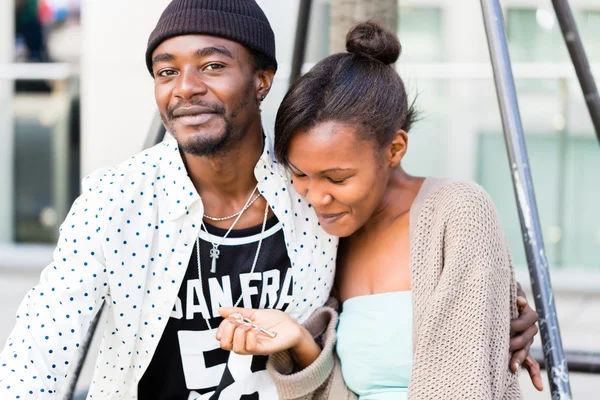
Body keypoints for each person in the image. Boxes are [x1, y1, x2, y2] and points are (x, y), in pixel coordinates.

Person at [0, 2, 538, 398]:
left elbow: (416, 245)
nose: (185, 86)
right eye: (166, 70)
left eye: (212, 66)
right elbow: (39, 351)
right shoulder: (117, 201)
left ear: (262, 80)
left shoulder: (306, 192)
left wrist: (502, 305)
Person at [215, 21, 543, 399]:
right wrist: (302, 344)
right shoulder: (328, 238)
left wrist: (501, 302)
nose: (315, 197)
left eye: (336, 178)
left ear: (394, 149)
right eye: (300, 174)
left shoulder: (457, 211)